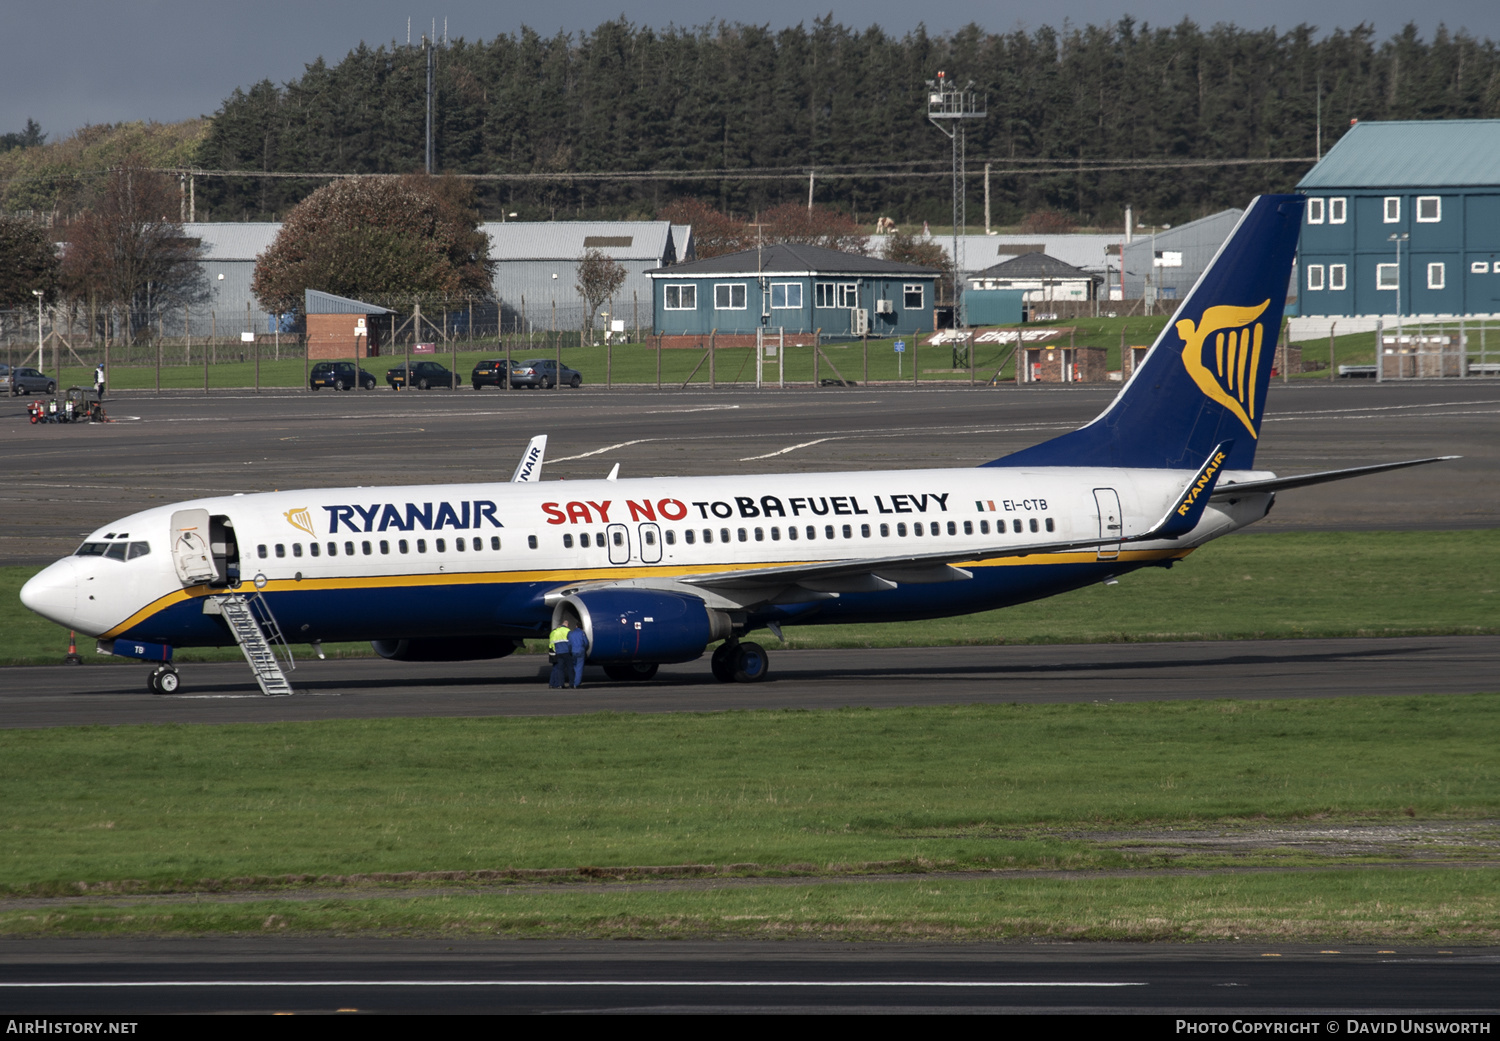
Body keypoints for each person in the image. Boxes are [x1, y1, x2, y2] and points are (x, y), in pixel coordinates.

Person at [548, 620, 573, 689]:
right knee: (569, 668)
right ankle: (571, 684)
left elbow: (553, 643)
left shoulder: (556, 632)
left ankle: (559, 684)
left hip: (557, 652)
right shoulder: (568, 631)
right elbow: (571, 642)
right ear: (567, 625)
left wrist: (556, 651)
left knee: (558, 669)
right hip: (564, 652)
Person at [567, 622, 588, 689]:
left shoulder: (571, 633)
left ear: (576, 626)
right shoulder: (582, 633)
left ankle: (573, 682)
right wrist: (584, 648)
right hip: (580, 650)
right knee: (579, 667)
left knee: (574, 666)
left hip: (573, 651)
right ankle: (577, 683)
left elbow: (569, 644)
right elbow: (586, 643)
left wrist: (570, 650)